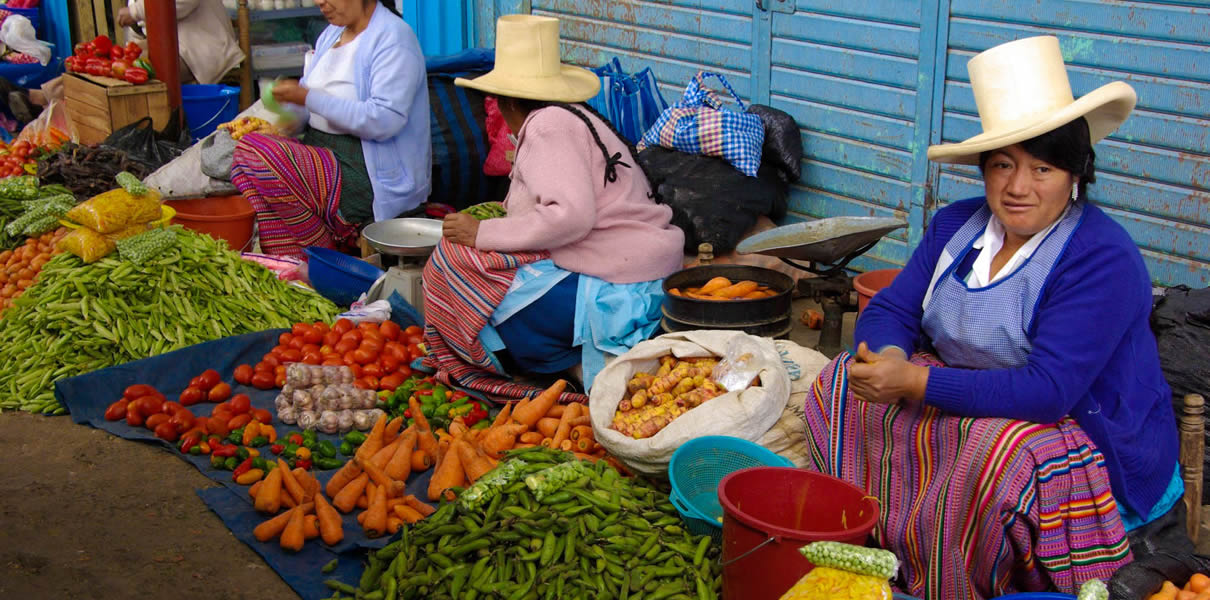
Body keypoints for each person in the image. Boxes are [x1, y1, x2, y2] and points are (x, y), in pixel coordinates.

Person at [802, 36, 1181, 596]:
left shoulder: (1101, 255)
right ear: (983, 168)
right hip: (970, 393)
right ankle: (884, 541)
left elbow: (1049, 389)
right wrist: (886, 356)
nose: (1018, 187)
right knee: (839, 384)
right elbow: (895, 307)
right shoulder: (959, 225)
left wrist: (915, 382)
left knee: (998, 456)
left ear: (1077, 175)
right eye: (1003, 165)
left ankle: (957, 577)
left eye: (1043, 168)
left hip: (1079, 426)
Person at [420, 15, 683, 400]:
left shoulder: (546, 126)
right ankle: (577, 365)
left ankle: (568, 364)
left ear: (507, 101)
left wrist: (482, 233)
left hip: (622, 283)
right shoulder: (571, 115)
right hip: (644, 268)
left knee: (459, 274)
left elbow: (569, 215)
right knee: (476, 269)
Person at [229, 0, 430, 258]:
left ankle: (322, 254)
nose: (319, 2)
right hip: (324, 155)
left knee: (253, 151)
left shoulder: (394, 38)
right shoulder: (330, 35)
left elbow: (384, 120)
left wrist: (306, 97)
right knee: (246, 150)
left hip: (366, 172)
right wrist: (284, 124)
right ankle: (294, 261)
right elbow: (310, 108)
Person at [117, 0, 244, 85]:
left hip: (203, 46)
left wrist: (135, 12)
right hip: (175, 44)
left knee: (138, 72)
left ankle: (168, 121)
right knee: (122, 63)